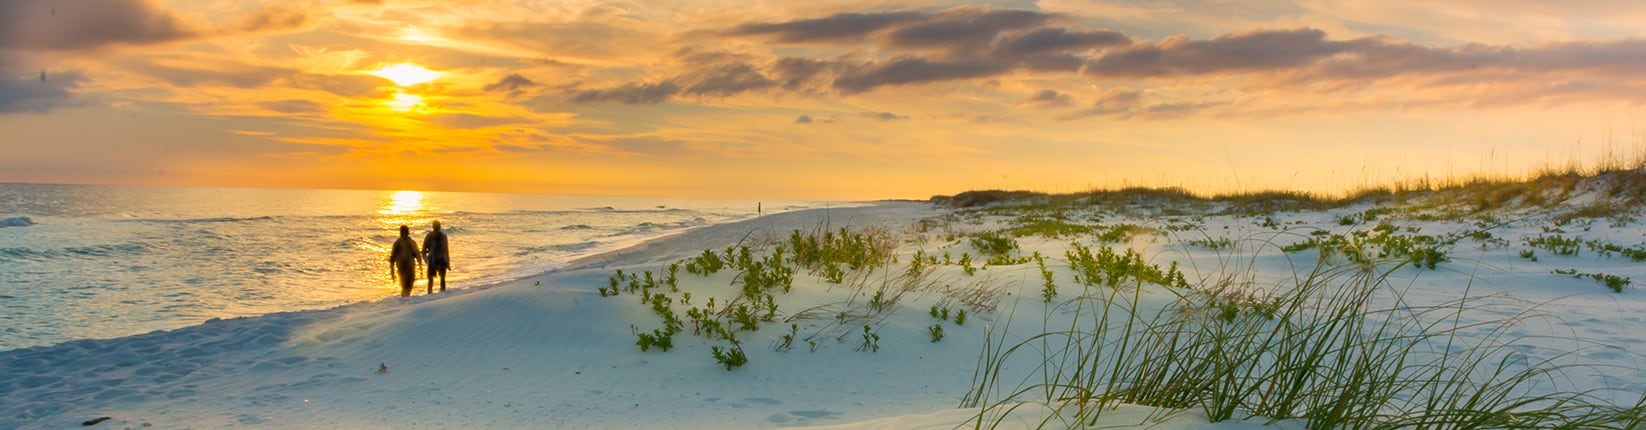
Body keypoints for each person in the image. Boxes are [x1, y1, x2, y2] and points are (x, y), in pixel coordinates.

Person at [388, 225, 422, 297]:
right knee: (406, 285)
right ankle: (405, 300)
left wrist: (392, 272)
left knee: (406, 285)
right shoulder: (406, 242)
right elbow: (417, 255)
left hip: (404, 267)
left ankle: (404, 300)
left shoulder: (399, 242)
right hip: (406, 267)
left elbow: (392, 258)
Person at [422, 220, 450, 294]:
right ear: (439, 227)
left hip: (432, 260)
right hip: (442, 259)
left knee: (430, 280)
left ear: (432, 227)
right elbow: (446, 250)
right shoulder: (443, 236)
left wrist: (425, 259)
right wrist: (448, 262)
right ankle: (443, 294)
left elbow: (423, 250)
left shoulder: (428, 236)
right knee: (442, 279)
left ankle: (429, 294)